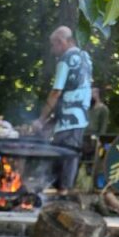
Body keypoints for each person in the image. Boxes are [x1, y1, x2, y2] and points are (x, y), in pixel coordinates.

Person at [32, 25, 92, 191]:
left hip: (68, 118)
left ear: (61, 41)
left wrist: (41, 120)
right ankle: (62, 191)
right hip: (81, 116)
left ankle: (61, 193)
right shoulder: (85, 57)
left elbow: (56, 92)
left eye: (53, 45)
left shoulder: (65, 60)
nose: (53, 50)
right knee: (71, 154)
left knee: (62, 154)